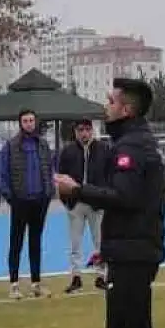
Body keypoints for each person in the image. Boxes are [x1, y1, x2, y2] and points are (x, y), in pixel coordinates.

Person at [55, 77, 165, 328]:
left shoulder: (132, 147)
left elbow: (125, 197)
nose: (105, 107)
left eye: (111, 101)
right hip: (137, 249)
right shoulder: (133, 142)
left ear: (127, 109)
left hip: (133, 254)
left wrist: (77, 189)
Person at [0, 109, 54, 299]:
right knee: (16, 242)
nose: (29, 123)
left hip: (40, 201)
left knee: (35, 243)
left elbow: (48, 169)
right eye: (25, 120)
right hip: (20, 201)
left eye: (31, 120)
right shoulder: (11, 146)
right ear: (20, 123)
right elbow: (3, 173)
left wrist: (48, 193)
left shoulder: (43, 145)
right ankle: (14, 284)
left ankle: (36, 283)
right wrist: (10, 197)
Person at [57, 119, 113, 294]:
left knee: (100, 241)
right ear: (75, 132)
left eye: (88, 129)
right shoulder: (68, 151)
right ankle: (76, 277)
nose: (84, 133)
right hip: (76, 203)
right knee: (75, 243)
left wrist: (105, 197)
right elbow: (61, 177)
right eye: (81, 130)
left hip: (97, 203)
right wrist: (66, 201)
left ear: (92, 131)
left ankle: (100, 276)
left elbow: (109, 175)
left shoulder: (103, 149)